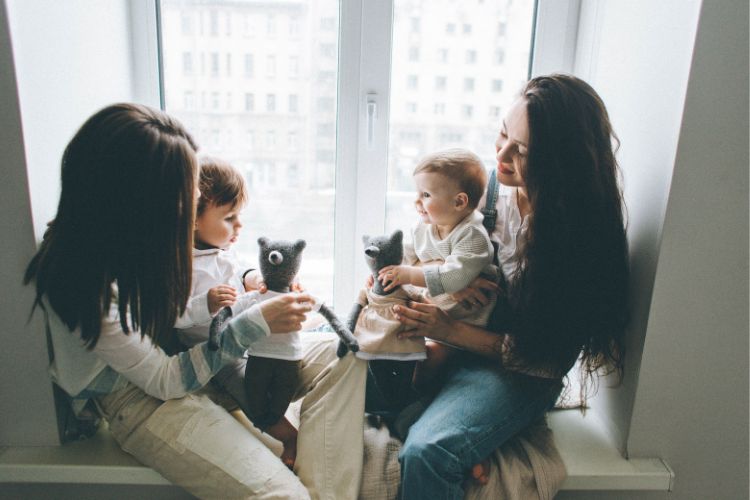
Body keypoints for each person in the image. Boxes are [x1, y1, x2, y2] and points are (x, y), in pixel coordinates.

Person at [24, 103, 366, 500]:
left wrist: (258, 289)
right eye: (188, 194)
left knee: (348, 354)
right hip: (144, 398)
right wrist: (255, 323)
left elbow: (212, 278)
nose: (194, 200)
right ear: (141, 200)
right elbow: (165, 381)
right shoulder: (86, 281)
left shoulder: (141, 237)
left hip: (200, 358)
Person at [392, 74, 630, 499]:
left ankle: (474, 433)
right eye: (503, 133)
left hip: (515, 370)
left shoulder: (580, 241)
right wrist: (448, 277)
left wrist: (448, 330)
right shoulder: (482, 195)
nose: (500, 155)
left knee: (428, 452)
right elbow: (423, 249)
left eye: (521, 151)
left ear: (560, 164)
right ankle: (474, 436)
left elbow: (545, 361)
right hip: (454, 349)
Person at [174, 156, 303, 469]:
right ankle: (289, 436)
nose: (239, 226)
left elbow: (240, 268)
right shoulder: (180, 264)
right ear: (193, 219)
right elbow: (173, 316)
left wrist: (254, 279)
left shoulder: (222, 250)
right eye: (230, 217)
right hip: (216, 353)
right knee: (250, 393)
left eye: (239, 216)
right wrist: (205, 304)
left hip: (246, 336)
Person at [377, 148, 499, 393]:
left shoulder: (472, 236)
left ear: (459, 202)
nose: (417, 201)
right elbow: (405, 258)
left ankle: (416, 398)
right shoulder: (424, 227)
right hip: (432, 308)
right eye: (417, 193)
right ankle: (385, 384)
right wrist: (387, 271)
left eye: (426, 195)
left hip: (464, 323)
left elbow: (454, 277)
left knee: (430, 358)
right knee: (389, 334)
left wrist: (409, 274)